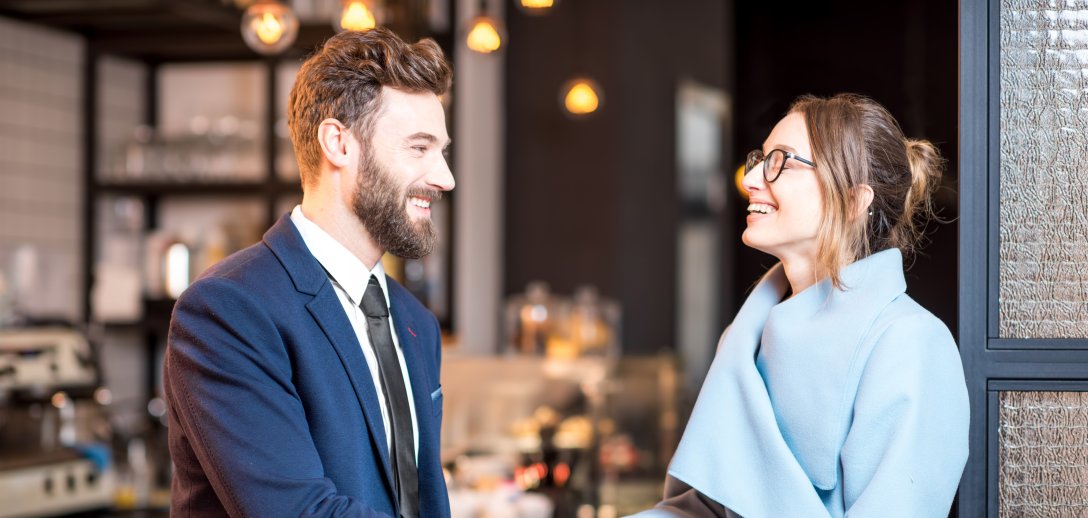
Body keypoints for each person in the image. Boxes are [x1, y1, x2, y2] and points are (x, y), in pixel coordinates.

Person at [631, 94, 969, 517]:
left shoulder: (910, 344)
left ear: (853, 201)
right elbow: (706, 509)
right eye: (760, 159)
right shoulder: (745, 337)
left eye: (781, 161)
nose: (751, 178)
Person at [163, 27, 454, 518]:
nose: (445, 177)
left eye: (441, 151)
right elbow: (298, 511)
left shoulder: (414, 322)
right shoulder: (228, 310)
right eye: (419, 148)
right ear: (338, 143)